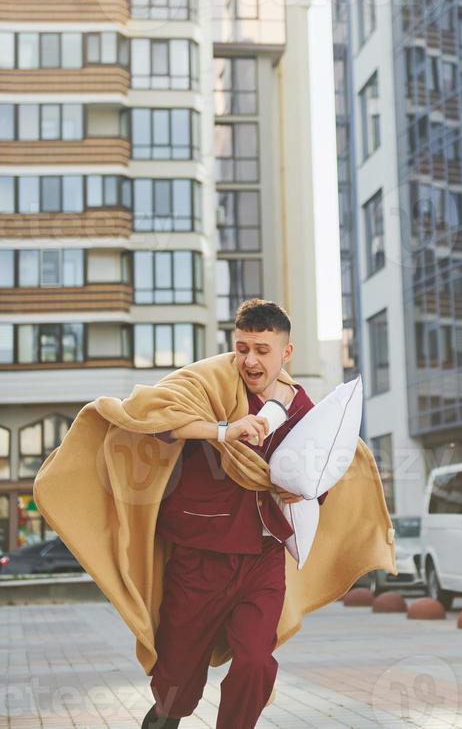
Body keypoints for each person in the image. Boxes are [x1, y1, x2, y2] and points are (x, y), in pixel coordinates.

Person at [141, 298, 327, 729]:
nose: (250, 359)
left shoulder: (303, 409)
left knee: (256, 664)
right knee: (176, 687)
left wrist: (300, 490)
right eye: (242, 348)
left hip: (262, 558)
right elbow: (157, 418)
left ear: (286, 352)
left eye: (262, 349)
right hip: (198, 555)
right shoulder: (210, 379)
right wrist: (224, 429)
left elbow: (321, 474)